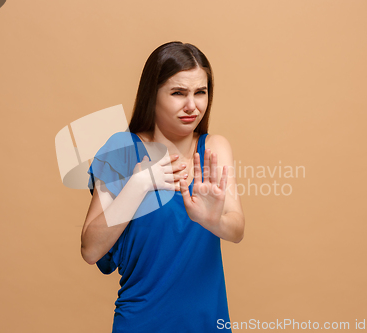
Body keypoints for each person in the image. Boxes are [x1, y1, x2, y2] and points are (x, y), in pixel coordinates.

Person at [81, 41, 245, 332]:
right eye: (178, 93)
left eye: (200, 92)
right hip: (142, 322)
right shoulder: (121, 150)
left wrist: (212, 220)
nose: (192, 106)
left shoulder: (214, 148)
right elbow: (91, 250)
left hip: (207, 322)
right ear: (152, 94)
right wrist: (140, 184)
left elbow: (237, 229)